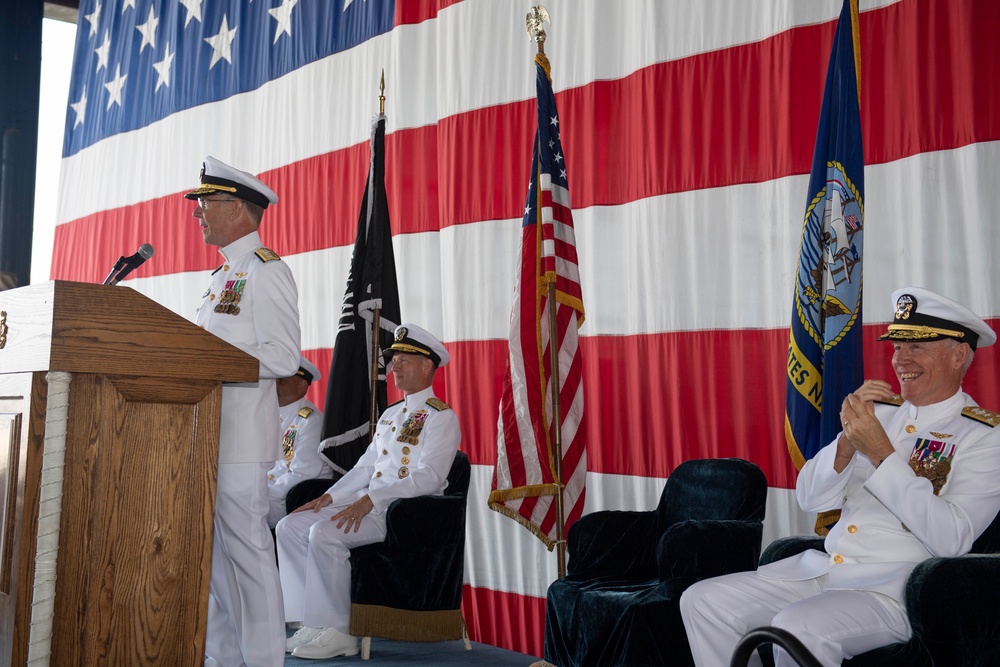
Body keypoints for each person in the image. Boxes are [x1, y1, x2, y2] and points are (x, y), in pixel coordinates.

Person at [681, 286, 1000, 666]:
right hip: (828, 571)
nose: (901, 359)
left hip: (896, 591)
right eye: (897, 346)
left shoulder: (984, 436)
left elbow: (952, 539)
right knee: (703, 601)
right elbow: (811, 499)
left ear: (959, 354)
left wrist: (882, 453)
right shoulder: (880, 414)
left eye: (917, 346)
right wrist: (848, 443)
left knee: (796, 626)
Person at [276, 323, 461, 660]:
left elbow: (431, 477)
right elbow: (364, 467)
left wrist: (373, 499)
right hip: (367, 505)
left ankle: (341, 631)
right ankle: (310, 622)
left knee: (324, 534)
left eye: (404, 360)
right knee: (290, 526)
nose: (395, 367)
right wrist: (328, 497)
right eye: (395, 360)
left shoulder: (440, 418)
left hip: (400, 514)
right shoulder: (391, 415)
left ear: (426, 366)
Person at [188, 156, 301, 667]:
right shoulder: (220, 276)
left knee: (249, 556)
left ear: (237, 207)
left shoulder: (266, 270)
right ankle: (223, 658)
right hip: (204, 432)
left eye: (206, 203)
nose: (198, 214)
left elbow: (282, 356)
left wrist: (211, 362)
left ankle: (263, 661)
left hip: (239, 438)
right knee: (213, 560)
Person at [267, 356, 334, 529]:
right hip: (268, 493)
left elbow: (302, 473)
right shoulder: (268, 415)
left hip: (289, 501)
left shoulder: (310, 421)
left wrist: (261, 492)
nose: (274, 386)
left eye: (281, 381)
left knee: (240, 509)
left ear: (301, 386)